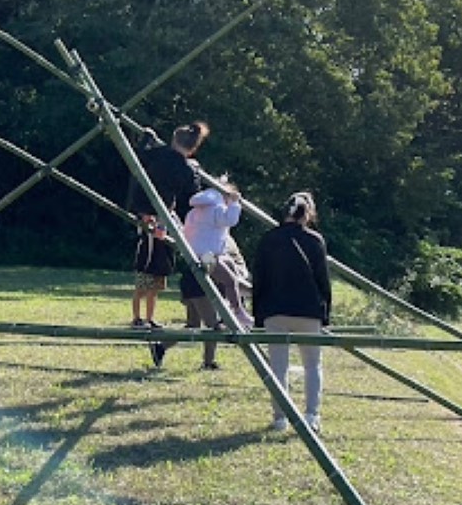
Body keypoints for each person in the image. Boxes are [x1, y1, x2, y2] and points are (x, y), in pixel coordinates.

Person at [251, 191, 331, 432]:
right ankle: (312, 415)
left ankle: (280, 418)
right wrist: (325, 315)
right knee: (312, 365)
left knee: (278, 367)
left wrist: (257, 315)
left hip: (275, 310)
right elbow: (323, 282)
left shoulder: (268, 239)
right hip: (308, 311)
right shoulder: (315, 241)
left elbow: (259, 280)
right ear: (308, 215)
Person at [179, 180, 252, 369]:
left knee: (231, 274)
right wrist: (236, 203)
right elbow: (231, 220)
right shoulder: (216, 209)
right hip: (208, 256)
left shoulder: (194, 212)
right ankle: (238, 310)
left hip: (200, 255)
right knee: (229, 280)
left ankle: (239, 305)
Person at [131, 215, 175, 328]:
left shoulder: (171, 217)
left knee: (154, 290)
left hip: (161, 260)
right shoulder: (147, 216)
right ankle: (136, 318)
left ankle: (149, 319)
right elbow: (142, 230)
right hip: (146, 259)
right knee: (140, 290)